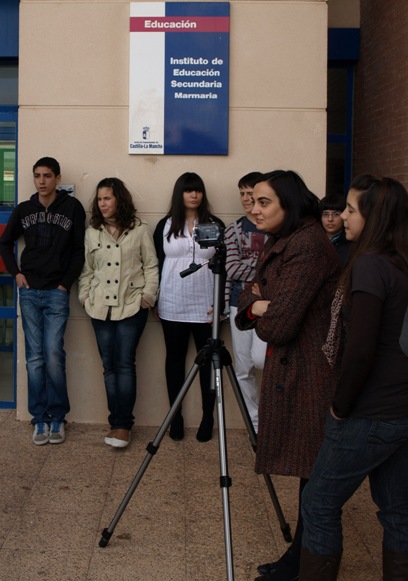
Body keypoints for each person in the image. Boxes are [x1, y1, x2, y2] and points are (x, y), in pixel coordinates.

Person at [300, 175, 408, 580]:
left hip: (370, 412)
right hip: (401, 409)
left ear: (373, 216)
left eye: (349, 209)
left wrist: (340, 407)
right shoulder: (400, 262)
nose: (341, 216)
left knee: (318, 503)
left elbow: (361, 349)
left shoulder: (370, 265)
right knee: (398, 511)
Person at [235, 170, 340, 581]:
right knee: (308, 477)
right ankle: (299, 559)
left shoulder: (308, 246)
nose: (254, 209)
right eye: (253, 201)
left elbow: (279, 325)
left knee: (313, 478)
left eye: (264, 202)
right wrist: (259, 304)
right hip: (294, 368)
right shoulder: (285, 241)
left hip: (310, 374)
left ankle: (306, 564)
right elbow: (250, 293)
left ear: (288, 205)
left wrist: (263, 307)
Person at [0, 157, 86, 445]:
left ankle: (58, 417)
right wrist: (16, 274)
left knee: (52, 354)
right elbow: (5, 242)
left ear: (58, 179)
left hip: (56, 292)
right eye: (37, 175)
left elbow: (78, 250)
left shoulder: (72, 208)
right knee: (34, 358)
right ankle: (39, 419)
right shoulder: (25, 209)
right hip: (29, 290)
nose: (41, 181)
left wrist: (65, 284)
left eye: (47, 176)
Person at [78, 178, 158, 448]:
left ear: (119, 200)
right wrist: (84, 296)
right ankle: (115, 422)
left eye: (107, 198)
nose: (102, 204)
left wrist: (147, 297)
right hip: (99, 308)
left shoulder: (139, 230)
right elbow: (87, 270)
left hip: (131, 306)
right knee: (108, 366)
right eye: (99, 199)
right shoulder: (92, 232)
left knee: (124, 364)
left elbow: (151, 266)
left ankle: (123, 425)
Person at [153, 172, 224, 443]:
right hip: (172, 304)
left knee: (209, 365)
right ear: (179, 193)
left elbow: (223, 267)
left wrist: (219, 304)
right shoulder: (165, 224)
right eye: (188, 190)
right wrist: (156, 299)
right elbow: (157, 264)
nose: (194, 195)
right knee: (175, 361)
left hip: (206, 306)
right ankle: (176, 417)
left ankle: (208, 417)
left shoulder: (215, 224)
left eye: (198, 190)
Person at [224, 172, 268, 432]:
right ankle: (256, 423)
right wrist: (264, 270)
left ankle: (272, 414)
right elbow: (231, 269)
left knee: (261, 360)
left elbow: (281, 269)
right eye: (241, 193)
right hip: (238, 303)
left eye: (250, 192)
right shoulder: (234, 229)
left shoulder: (276, 229)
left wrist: (255, 269)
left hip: (269, 305)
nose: (245, 198)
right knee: (243, 368)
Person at [320, 194, 351, 267]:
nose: (330, 219)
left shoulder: (349, 244)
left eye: (336, 214)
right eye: (326, 214)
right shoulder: (314, 239)